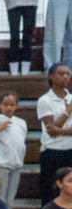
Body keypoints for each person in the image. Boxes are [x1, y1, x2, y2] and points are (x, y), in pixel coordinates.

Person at [0, 91, 28, 209]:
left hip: (16, 166)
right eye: (5, 104)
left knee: (10, 201)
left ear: (16, 106)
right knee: (0, 198)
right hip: (1, 166)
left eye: (12, 105)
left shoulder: (21, 123)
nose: (9, 108)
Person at [38, 63, 72, 194]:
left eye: (68, 74)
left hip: (70, 150)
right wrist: (67, 111)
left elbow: (56, 129)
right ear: (51, 77)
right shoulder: (45, 100)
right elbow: (52, 130)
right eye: (61, 74)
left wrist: (59, 131)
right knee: (50, 193)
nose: (65, 77)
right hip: (52, 152)